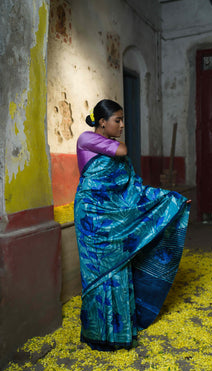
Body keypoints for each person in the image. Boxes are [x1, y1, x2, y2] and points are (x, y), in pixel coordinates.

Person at [74, 99, 190, 351]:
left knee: (120, 268)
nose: (123, 125)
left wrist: (170, 201)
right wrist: (117, 143)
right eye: (118, 120)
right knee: (98, 272)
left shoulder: (110, 145)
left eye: (123, 119)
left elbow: (132, 190)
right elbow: (122, 151)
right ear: (102, 122)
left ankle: (119, 332)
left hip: (115, 217)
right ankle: (97, 333)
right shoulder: (85, 139)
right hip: (92, 218)